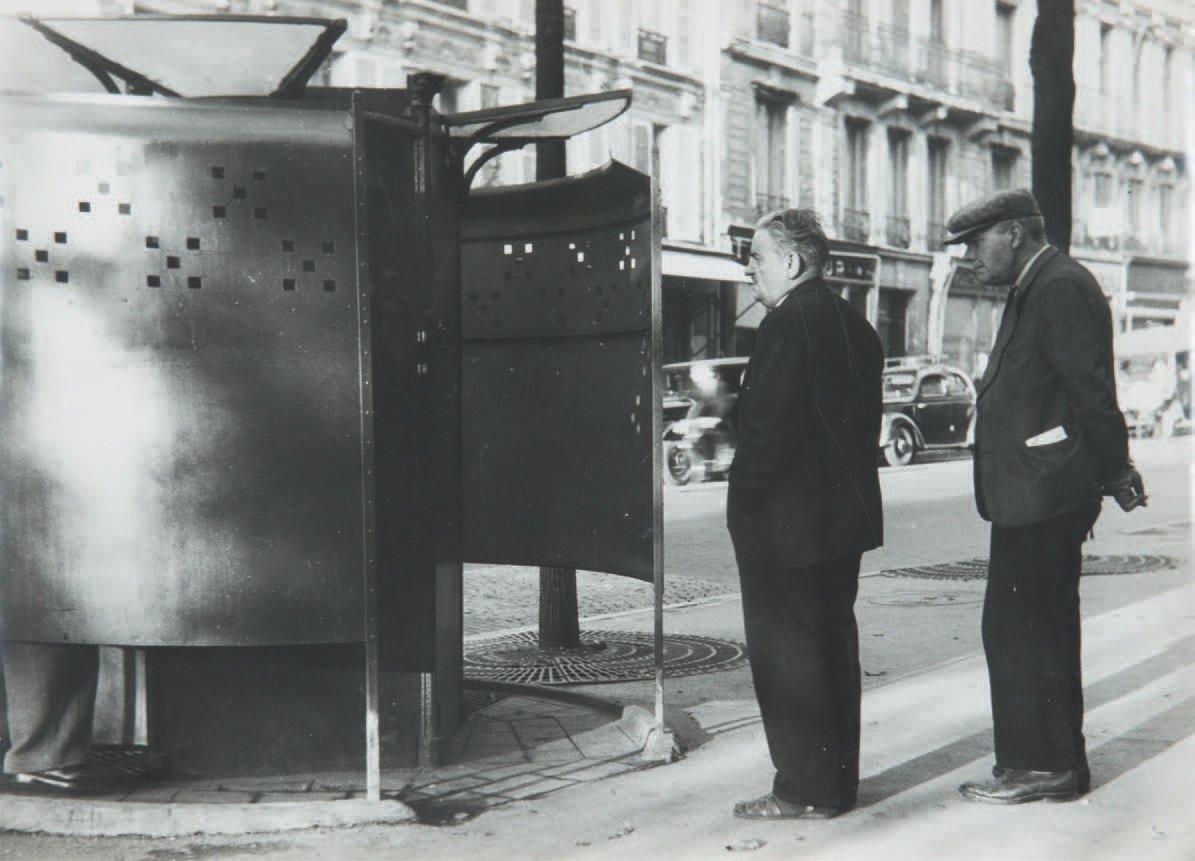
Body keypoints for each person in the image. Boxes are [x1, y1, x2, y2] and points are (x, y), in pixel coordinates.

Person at [944, 189, 1146, 804]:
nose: (969, 258)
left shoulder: (1059, 286)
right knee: (1015, 630)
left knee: (1033, 631)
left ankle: (1050, 765)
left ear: (1012, 233)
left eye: (976, 244)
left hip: (1046, 491)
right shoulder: (1036, 285)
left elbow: (1092, 393)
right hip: (1027, 492)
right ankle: (1029, 761)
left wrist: (1115, 471)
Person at [726, 209, 883, 820]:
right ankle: (836, 785)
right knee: (832, 649)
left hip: (783, 525)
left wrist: (743, 507)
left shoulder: (787, 325)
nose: (750, 268)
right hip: (839, 522)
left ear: (791, 262)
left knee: (788, 658)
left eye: (758, 257)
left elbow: (765, 434)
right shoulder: (855, 323)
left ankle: (800, 788)